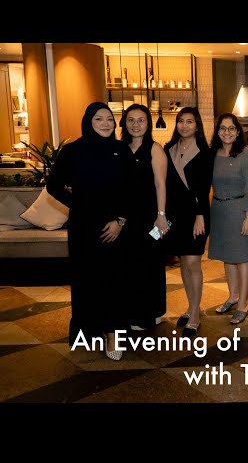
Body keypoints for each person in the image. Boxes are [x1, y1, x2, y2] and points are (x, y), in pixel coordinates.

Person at [47, 102, 132, 361]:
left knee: (114, 282)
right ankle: (89, 330)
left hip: (114, 228)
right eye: (99, 119)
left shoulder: (121, 150)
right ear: (88, 122)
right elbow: (53, 186)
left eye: (110, 119)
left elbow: (133, 189)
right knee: (86, 281)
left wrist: (120, 221)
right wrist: (78, 205)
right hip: (83, 228)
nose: (106, 124)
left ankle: (113, 334)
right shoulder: (73, 151)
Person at [163, 107, 213, 337]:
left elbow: (204, 189)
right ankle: (192, 306)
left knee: (193, 262)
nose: (184, 125)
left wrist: (200, 216)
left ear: (197, 125)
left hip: (196, 216)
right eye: (181, 121)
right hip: (175, 216)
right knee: (183, 262)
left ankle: (195, 314)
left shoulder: (205, 152)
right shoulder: (168, 149)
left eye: (189, 121)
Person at [121, 103, 169, 331]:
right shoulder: (121, 148)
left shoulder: (154, 149)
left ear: (148, 123)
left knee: (150, 264)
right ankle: (135, 312)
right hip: (126, 219)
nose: (136, 124)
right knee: (130, 266)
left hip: (150, 217)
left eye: (141, 120)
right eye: (131, 120)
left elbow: (161, 184)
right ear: (124, 123)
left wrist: (161, 216)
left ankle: (149, 313)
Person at [209, 113, 248, 325]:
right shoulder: (213, 154)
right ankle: (233, 296)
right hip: (219, 211)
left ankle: (243, 303)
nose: (226, 132)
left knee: (242, 257)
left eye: (231, 128)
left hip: (239, 211)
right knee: (227, 257)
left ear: (238, 132)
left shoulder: (245, 154)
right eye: (223, 128)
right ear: (218, 131)